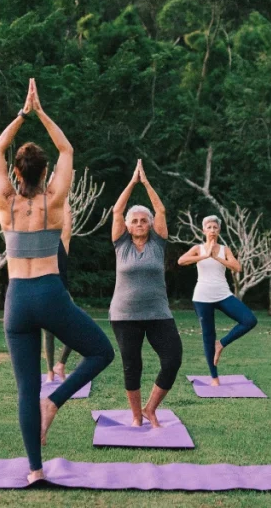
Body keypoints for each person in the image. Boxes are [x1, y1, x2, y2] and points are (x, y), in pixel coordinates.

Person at [0, 79, 114, 483]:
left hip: (17, 299)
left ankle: (34, 470)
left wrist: (20, 116)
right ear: (45, 172)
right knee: (100, 352)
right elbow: (67, 149)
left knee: (26, 388)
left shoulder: (5, 202)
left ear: (14, 172)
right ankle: (56, 401)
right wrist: (40, 112)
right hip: (49, 292)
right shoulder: (54, 200)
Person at [108, 159, 182, 429]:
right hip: (124, 315)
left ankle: (151, 408)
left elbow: (160, 209)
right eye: (134, 221)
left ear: (150, 224)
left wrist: (146, 183)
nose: (139, 223)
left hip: (158, 313)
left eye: (144, 220)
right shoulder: (121, 244)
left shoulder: (158, 243)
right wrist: (131, 183)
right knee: (132, 365)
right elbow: (117, 211)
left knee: (172, 359)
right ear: (128, 226)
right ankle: (136, 416)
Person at [177, 215, 256, 385]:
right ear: (204, 230)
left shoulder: (224, 249)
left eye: (215, 227)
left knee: (249, 320)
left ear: (219, 230)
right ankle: (214, 378)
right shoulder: (198, 248)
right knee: (208, 335)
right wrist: (205, 256)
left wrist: (216, 257)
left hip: (223, 294)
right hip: (202, 297)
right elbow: (181, 261)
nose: (212, 230)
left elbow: (237, 267)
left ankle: (221, 344)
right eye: (209, 227)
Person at [45, 197, 74, 382]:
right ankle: (51, 371)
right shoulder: (39, 246)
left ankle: (59, 365)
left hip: (61, 292)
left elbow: (68, 218)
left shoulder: (62, 242)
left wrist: (64, 195)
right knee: (49, 334)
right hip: (46, 292)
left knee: (73, 331)